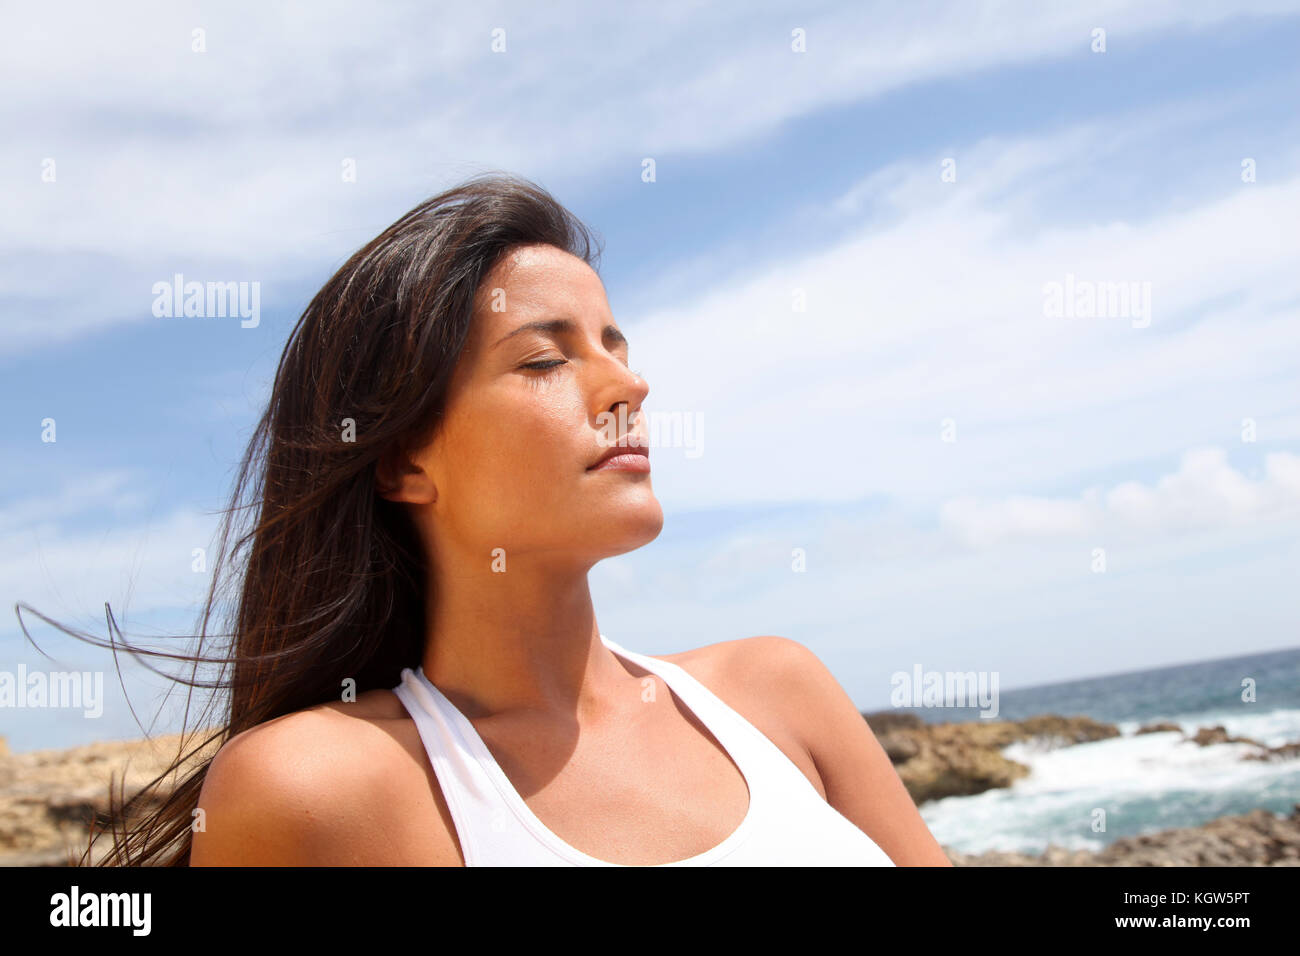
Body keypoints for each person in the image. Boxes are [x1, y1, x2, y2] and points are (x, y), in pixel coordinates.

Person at [43, 171, 951, 866]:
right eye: (542, 361)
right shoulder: (319, 789)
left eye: (613, 344)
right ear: (403, 459)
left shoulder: (776, 693)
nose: (628, 385)